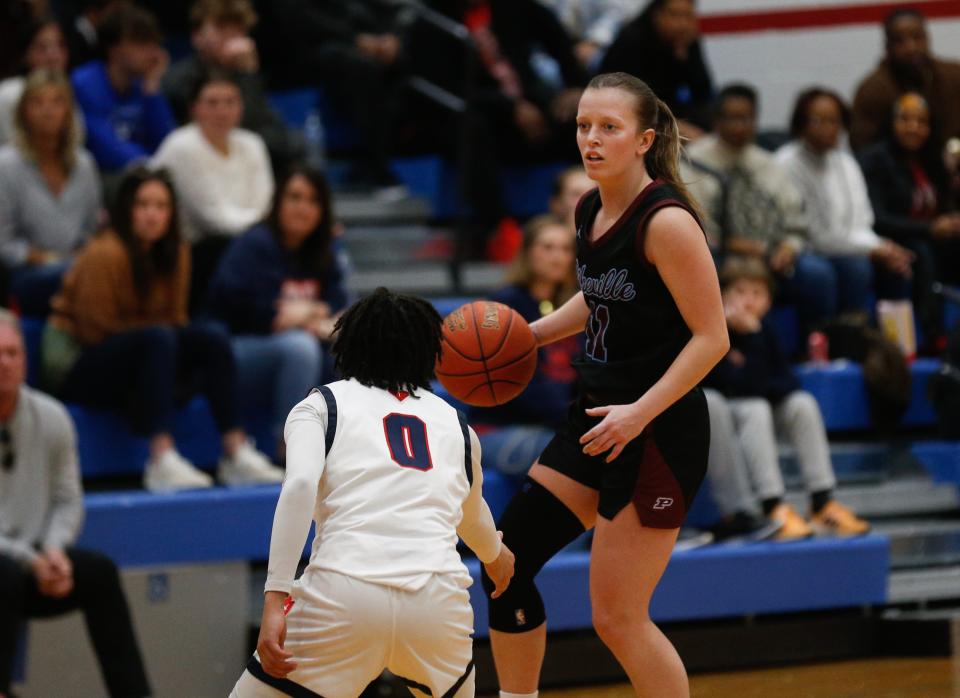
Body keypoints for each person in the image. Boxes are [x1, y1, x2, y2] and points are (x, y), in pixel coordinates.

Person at [482, 72, 728, 697]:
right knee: (503, 564)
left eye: (608, 128)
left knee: (618, 619)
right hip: (594, 420)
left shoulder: (667, 222)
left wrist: (639, 414)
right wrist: (528, 337)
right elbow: (596, 299)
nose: (591, 139)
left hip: (657, 432)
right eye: (583, 126)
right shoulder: (588, 206)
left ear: (644, 140)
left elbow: (712, 338)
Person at [229, 287, 515, 698]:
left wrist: (276, 597)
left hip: (343, 593)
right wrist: (497, 556)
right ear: (429, 351)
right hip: (436, 601)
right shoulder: (456, 424)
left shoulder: (320, 406)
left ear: (348, 342)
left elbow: (300, 487)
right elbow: (471, 514)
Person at [41, 167, 281, 492]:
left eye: (161, 206)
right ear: (126, 211)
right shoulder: (104, 252)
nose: (152, 215)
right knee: (159, 339)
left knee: (210, 337)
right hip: (77, 363)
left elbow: (175, 319)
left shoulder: (177, 252)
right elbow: (94, 331)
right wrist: (156, 343)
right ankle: (161, 457)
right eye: (143, 205)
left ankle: (235, 451)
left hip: (140, 355)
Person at [0, 309, 151, 698]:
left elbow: (68, 500)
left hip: (35, 565)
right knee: (6, 576)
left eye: (12, 353)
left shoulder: (52, 417)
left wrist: (53, 553)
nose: (5, 363)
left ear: (25, 360)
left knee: (99, 573)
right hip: (11, 569)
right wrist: (29, 560)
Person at [705, 257, 870, 539]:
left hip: (758, 408)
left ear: (769, 301)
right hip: (725, 413)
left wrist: (753, 348)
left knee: (802, 404)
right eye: (740, 292)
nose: (749, 302)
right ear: (722, 296)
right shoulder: (713, 330)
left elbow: (787, 382)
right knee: (755, 407)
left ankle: (822, 501)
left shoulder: (766, 329)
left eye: (757, 294)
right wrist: (754, 370)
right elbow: (733, 385)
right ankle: (773, 505)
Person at [205, 165, 349, 458]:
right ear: (278, 202)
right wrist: (302, 318)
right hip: (234, 354)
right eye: (294, 197)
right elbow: (245, 313)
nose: (303, 208)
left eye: (312, 200)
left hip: (290, 351)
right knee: (300, 348)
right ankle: (290, 452)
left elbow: (337, 311)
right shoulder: (254, 245)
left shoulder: (324, 253)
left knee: (341, 351)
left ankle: (345, 450)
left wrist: (303, 314)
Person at [687, 83, 835, 334]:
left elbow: (795, 220)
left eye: (745, 118)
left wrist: (788, 248)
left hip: (771, 255)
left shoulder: (768, 164)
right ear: (716, 120)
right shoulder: (693, 161)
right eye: (731, 118)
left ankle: (814, 351)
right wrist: (738, 245)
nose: (738, 126)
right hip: (718, 254)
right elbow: (691, 226)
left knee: (817, 274)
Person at [776, 87, 914, 320]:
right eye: (818, 121)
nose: (828, 128)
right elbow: (815, 235)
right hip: (801, 250)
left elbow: (863, 220)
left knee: (898, 265)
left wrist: (883, 247)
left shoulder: (846, 161)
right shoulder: (786, 163)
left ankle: (891, 344)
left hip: (848, 248)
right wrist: (874, 249)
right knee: (840, 271)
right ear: (800, 123)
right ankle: (827, 344)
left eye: (834, 121)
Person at [152, 69, 273, 310]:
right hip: (186, 255)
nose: (222, 111)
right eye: (212, 103)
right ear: (194, 108)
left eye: (230, 102)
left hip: (240, 244)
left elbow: (264, 204)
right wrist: (260, 231)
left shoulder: (252, 144)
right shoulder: (182, 146)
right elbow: (214, 218)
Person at [469, 215, 581, 475]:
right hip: (499, 429)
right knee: (576, 453)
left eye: (565, 249)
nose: (558, 257)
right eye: (547, 247)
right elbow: (524, 388)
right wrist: (576, 422)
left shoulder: (575, 307)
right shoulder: (503, 306)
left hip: (555, 426)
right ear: (527, 253)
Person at [858, 92, 960, 338]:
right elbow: (877, 217)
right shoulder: (874, 159)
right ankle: (932, 333)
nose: (913, 128)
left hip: (931, 237)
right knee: (921, 251)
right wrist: (930, 228)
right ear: (891, 122)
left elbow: (941, 207)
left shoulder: (932, 159)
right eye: (905, 119)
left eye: (921, 122)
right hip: (890, 238)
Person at [0, 69, 101, 315]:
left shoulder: (84, 164)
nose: (48, 111)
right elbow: (4, 243)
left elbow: (91, 229)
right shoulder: (6, 165)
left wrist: (84, 255)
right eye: (38, 102)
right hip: (25, 274)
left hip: (78, 266)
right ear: (23, 112)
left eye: (57, 102)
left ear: (69, 112)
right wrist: (50, 259)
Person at [162, 0, 302, 173]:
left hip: (244, 159)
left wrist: (249, 74)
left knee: (294, 143)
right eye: (221, 29)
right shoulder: (179, 79)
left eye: (238, 30)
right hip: (200, 163)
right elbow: (237, 127)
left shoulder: (242, 74)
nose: (231, 37)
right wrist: (248, 73)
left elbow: (261, 124)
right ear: (197, 36)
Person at [71, 2, 175, 174]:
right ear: (114, 48)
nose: (152, 52)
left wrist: (152, 90)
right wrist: (153, 168)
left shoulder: (146, 84)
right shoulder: (84, 83)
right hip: (102, 175)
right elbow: (105, 147)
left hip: (144, 173)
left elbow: (166, 143)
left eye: (154, 43)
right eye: (141, 43)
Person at [600, 0, 714, 139]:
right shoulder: (633, 40)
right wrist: (675, 127)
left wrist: (684, 59)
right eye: (675, 15)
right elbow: (634, 102)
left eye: (688, 16)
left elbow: (703, 91)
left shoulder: (685, 39)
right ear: (656, 15)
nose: (682, 23)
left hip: (667, 107)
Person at [851, 7, 960, 152]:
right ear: (887, 46)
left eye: (917, 37)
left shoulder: (953, 76)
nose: (911, 47)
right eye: (900, 41)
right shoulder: (873, 90)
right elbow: (863, 150)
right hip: (896, 170)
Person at [0, 15, 84, 145]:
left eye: (60, 46)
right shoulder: (9, 93)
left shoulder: (70, 92)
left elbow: (75, 146)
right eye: (42, 47)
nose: (53, 56)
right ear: (25, 54)